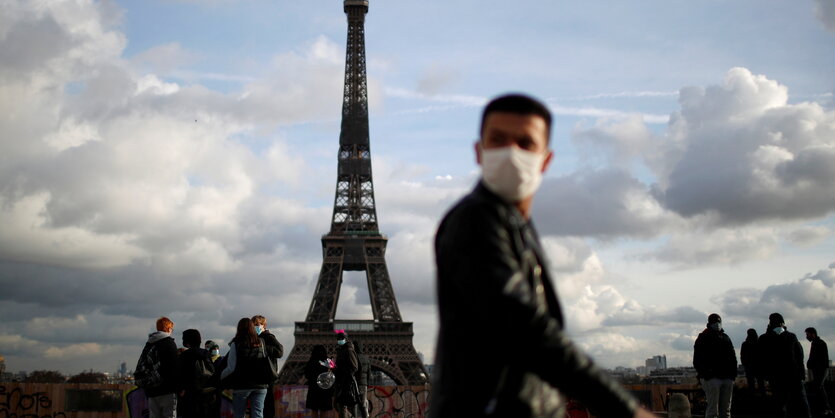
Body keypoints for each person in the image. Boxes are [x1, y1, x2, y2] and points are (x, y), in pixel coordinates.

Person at [431, 93, 654, 418]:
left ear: (546, 160)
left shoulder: (514, 224)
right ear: (479, 151)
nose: (511, 153)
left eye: (524, 142)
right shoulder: (475, 221)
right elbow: (526, 329)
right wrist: (625, 410)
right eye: (498, 140)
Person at [759, 313, 811, 418]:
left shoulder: (764, 338)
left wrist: (766, 375)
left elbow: (761, 358)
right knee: (800, 404)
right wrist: (801, 374)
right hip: (792, 376)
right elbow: (799, 355)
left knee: (781, 405)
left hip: (777, 377)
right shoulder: (791, 337)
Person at [220, 318, 273, 418]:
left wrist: (220, 377)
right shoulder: (261, 342)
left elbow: (231, 368)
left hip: (242, 385)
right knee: (258, 414)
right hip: (261, 384)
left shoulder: (236, 344)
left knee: (239, 415)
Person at [693, 313, 737, 418]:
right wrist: (707, 374)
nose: (717, 324)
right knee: (718, 410)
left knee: (720, 410)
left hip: (721, 377)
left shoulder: (721, 337)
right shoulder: (706, 338)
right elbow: (698, 360)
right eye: (715, 322)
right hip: (715, 377)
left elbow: (732, 357)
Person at [136, 317, 181, 418]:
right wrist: (179, 387)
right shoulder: (169, 343)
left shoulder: (149, 343)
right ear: (168, 328)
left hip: (151, 389)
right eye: (171, 329)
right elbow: (174, 367)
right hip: (167, 389)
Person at [252, 315, 284, 418]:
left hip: (267, 376)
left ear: (263, 325)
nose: (255, 327)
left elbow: (280, 352)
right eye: (254, 325)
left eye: (257, 324)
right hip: (257, 376)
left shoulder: (269, 337)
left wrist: (263, 347)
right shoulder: (253, 338)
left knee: (267, 405)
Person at [178, 329, 214, 418]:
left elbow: (181, 375)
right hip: (207, 393)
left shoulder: (185, 355)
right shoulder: (207, 354)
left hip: (190, 394)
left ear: (187, 342)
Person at [805, 327, 833, 417]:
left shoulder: (819, 343)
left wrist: (811, 364)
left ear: (813, 334)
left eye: (807, 334)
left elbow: (819, 358)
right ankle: (825, 408)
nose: (807, 336)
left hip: (821, 370)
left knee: (819, 388)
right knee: (820, 388)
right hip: (819, 370)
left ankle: (826, 408)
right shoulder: (817, 343)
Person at [333, 330, 359, 418]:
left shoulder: (348, 350)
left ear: (346, 339)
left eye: (341, 338)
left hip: (345, 382)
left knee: (341, 405)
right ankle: (351, 417)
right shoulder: (341, 350)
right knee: (337, 405)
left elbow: (354, 367)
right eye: (338, 338)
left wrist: (341, 370)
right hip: (340, 381)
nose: (339, 340)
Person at [304, 345, 334, 417]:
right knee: (324, 410)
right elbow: (333, 374)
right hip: (324, 390)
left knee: (314, 410)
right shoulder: (328, 361)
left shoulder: (311, 361)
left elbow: (306, 375)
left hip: (313, 389)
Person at [741, 328, 764, 393]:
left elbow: (742, 356)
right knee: (761, 384)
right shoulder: (759, 343)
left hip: (749, 367)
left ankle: (752, 397)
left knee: (751, 385)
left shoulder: (745, 344)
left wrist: (745, 365)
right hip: (758, 367)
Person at [354, 340, 371, 418]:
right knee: (363, 403)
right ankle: (365, 416)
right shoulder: (366, 358)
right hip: (363, 384)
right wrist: (366, 382)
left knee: (354, 403)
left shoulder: (353, 357)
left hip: (354, 383)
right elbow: (369, 373)